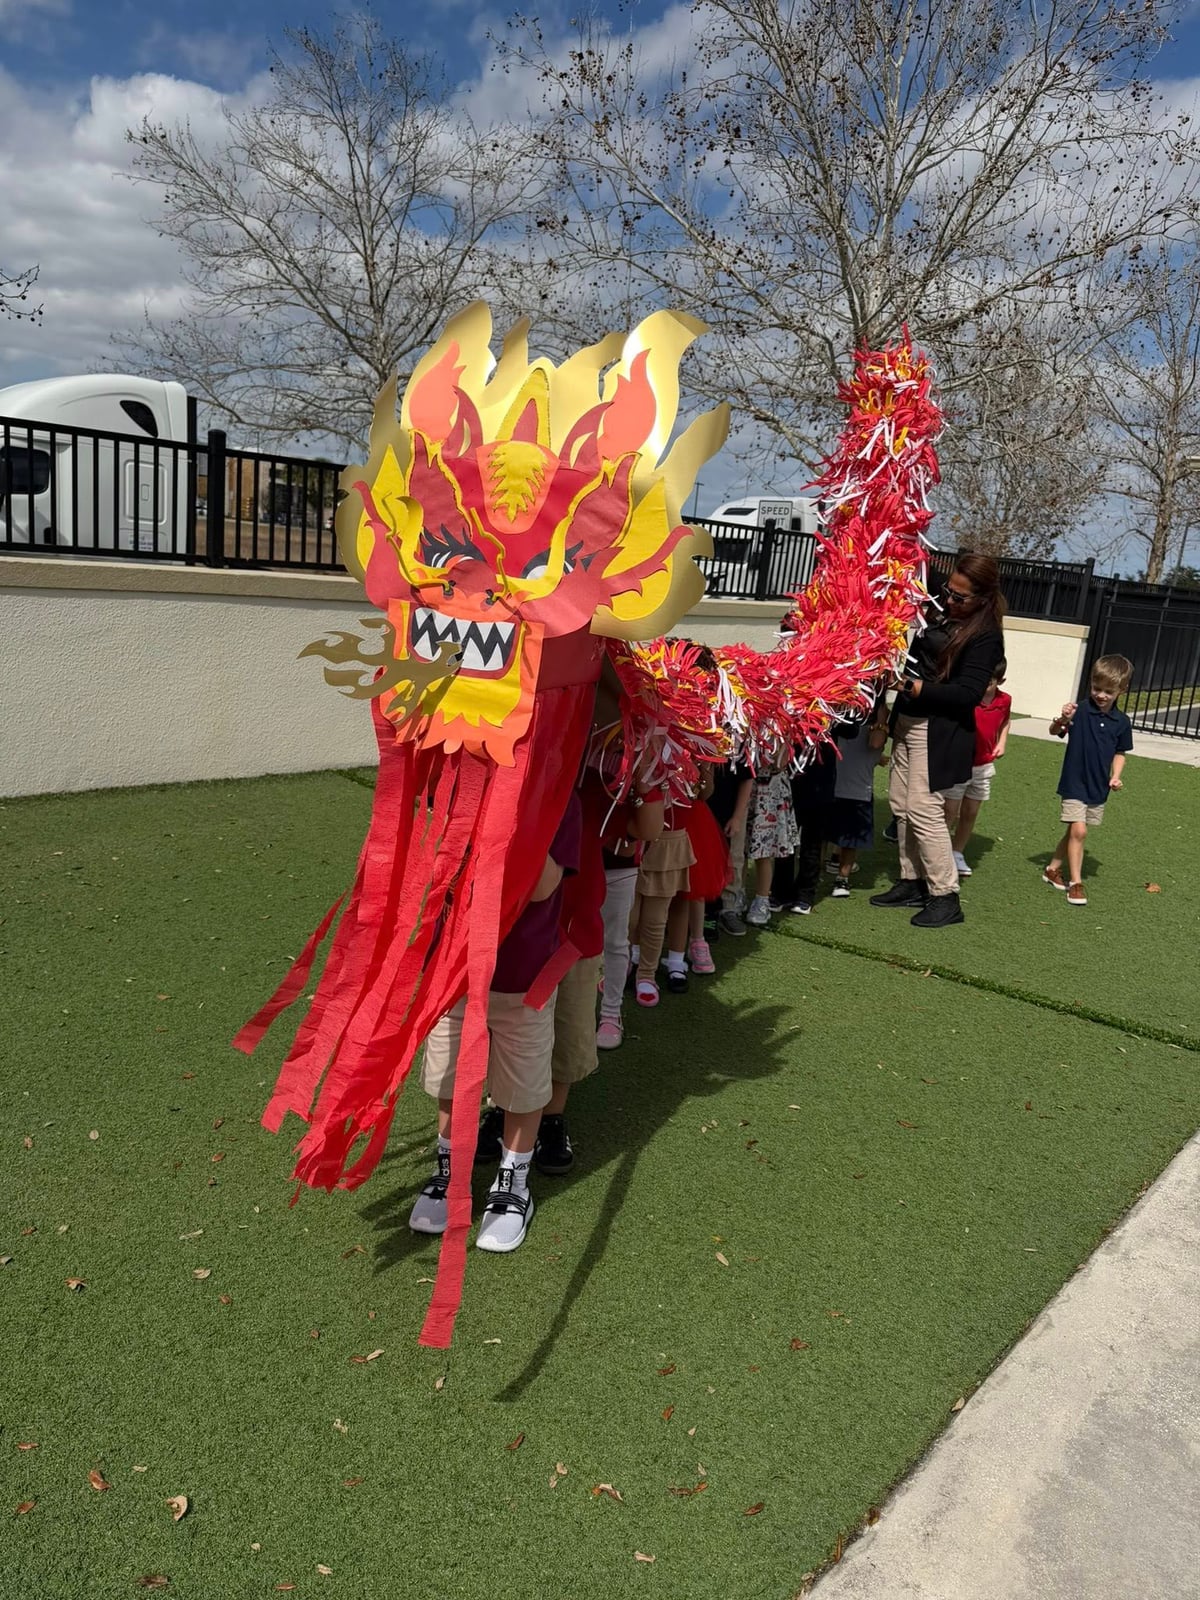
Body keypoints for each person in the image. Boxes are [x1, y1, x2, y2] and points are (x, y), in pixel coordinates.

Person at [410, 792, 582, 1253]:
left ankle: (513, 1183)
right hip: (457, 973)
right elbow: (432, 867)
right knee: (449, 1078)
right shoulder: (451, 783)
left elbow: (544, 883)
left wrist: (507, 813)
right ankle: (451, 1170)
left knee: (522, 1087)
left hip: (523, 977)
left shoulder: (557, 794)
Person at [870, 552, 1006, 928]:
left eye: (960, 597)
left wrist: (909, 686)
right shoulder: (942, 609)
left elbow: (967, 693)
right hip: (908, 721)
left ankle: (945, 896)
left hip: (939, 728)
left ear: (982, 598)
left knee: (924, 808)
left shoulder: (986, 637)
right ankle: (911, 881)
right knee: (900, 803)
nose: (949, 600)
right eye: (949, 591)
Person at [1041, 654, 1134, 907]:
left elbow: (1120, 753)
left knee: (1075, 832)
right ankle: (1076, 883)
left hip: (1098, 786)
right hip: (1074, 781)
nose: (1101, 695)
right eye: (1096, 688)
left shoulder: (1122, 722)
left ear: (1121, 690)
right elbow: (1055, 731)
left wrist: (1115, 777)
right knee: (1079, 830)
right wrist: (1062, 718)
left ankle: (1052, 869)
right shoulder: (1079, 710)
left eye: (1108, 691)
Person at [942, 659, 1012, 878]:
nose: (984, 686)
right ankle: (940, 854)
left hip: (983, 765)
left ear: (1000, 681)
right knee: (949, 811)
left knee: (970, 811)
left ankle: (957, 852)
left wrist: (1002, 742)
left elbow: (1005, 722)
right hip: (960, 763)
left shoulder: (1004, 700)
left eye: (989, 682)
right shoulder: (969, 697)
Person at [825, 700, 888, 897]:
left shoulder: (875, 730)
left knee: (850, 841)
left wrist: (880, 717)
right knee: (823, 835)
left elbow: (876, 742)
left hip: (857, 793)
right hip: (832, 788)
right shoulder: (838, 720)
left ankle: (842, 880)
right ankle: (822, 870)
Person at [744, 766, 799, 926]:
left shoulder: (780, 739)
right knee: (740, 849)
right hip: (746, 784)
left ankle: (762, 901)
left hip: (770, 790)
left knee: (764, 850)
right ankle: (736, 897)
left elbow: (780, 762)